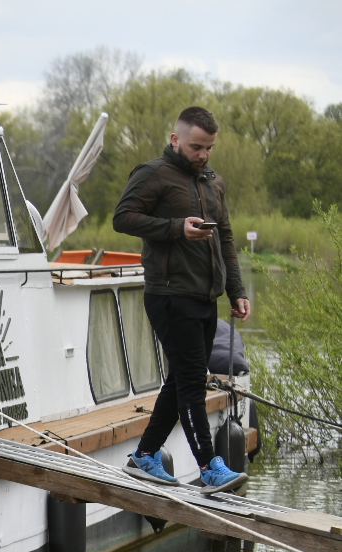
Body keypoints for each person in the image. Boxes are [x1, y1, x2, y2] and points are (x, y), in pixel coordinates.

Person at [113, 105, 250, 494]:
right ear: (176, 140)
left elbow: (225, 238)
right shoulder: (153, 173)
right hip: (170, 296)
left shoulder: (212, 182)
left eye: (209, 148)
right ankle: (209, 468)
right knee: (192, 383)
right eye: (196, 147)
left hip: (205, 297)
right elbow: (123, 218)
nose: (203, 155)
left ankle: (144, 456)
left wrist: (236, 291)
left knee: (180, 381)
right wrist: (176, 227)